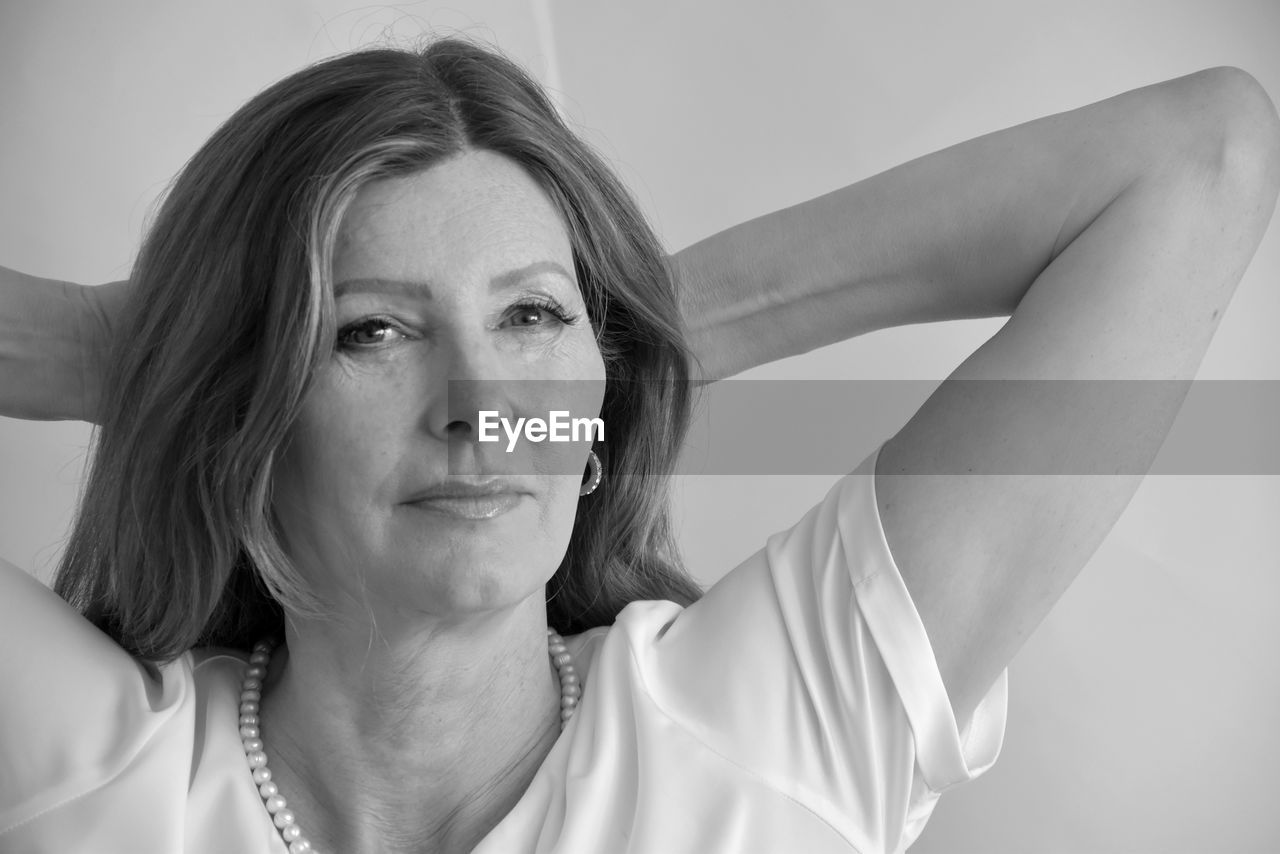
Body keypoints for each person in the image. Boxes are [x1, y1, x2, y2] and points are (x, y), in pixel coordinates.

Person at [1, 34, 1277, 854]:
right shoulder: (97, 776)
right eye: (371, 332)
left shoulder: (778, 719)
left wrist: (638, 341)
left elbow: (1199, 154)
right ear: (241, 419)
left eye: (530, 315)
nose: (482, 404)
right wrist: (123, 351)